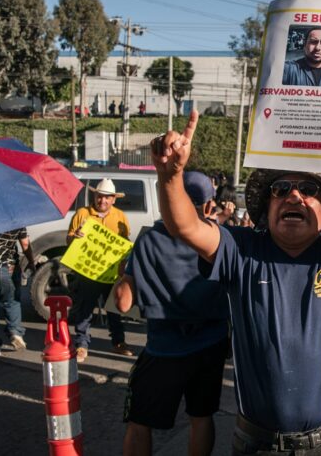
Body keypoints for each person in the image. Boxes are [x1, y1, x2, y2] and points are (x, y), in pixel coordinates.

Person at [151, 87, 321, 454]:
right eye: (281, 188)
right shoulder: (242, 249)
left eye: (307, 189)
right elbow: (186, 228)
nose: (294, 196)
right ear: (267, 209)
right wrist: (170, 176)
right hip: (257, 444)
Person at [116, 171, 229, 456]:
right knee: (201, 418)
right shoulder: (220, 241)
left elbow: (122, 303)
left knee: (139, 422)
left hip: (163, 349)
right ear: (207, 207)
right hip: (211, 345)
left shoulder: (147, 241)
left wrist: (122, 275)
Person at [68, 178, 133, 362]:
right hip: (87, 273)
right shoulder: (82, 214)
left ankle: (118, 343)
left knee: (114, 309)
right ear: (94, 196)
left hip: (111, 274)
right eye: (99, 197)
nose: (102, 201)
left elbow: (125, 243)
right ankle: (81, 345)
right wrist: (76, 237)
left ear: (113, 199)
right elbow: (69, 240)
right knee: (85, 309)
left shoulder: (120, 216)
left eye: (107, 198)